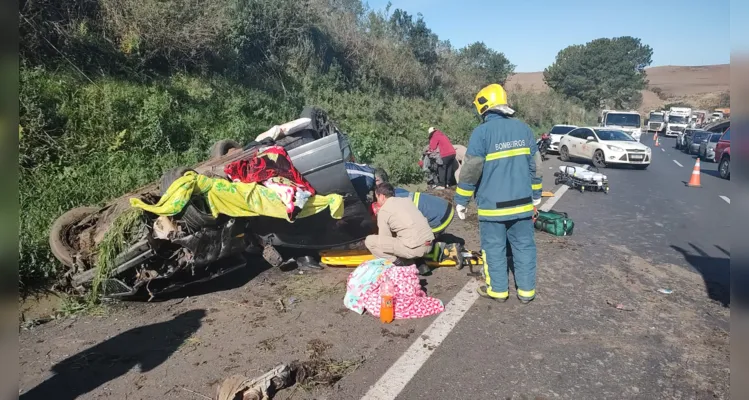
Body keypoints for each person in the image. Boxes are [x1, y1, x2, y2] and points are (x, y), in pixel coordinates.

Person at [454, 83, 543, 304]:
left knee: (494, 248)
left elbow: (471, 168)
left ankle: (498, 291)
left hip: (493, 207)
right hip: (523, 205)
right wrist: (537, 195)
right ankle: (526, 292)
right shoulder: (524, 129)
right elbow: (536, 166)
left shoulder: (482, 133)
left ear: (484, 106)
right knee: (524, 247)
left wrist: (462, 200)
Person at [365, 183, 434, 265]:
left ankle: (399, 264)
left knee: (369, 241)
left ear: (382, 196)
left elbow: (385, 240)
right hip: (429, 244)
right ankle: (419, 262)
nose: (377, 201)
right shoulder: (407, 201)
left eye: (377, 198)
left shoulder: (384, 211)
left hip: (415, 249)